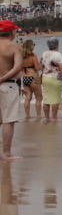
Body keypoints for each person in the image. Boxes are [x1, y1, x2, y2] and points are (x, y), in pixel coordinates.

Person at [0, 20, 21, 160]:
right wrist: (2, 79)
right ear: (11, 32)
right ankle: (6, 153)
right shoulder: (14, 46)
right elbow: (17, 67)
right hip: (8, 85)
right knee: (8, 120)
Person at [39, 39, 62, 123]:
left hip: (45, 78)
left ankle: (47, 118)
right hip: (55, 79)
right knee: (55, 99)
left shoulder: (44, 53)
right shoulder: (58, 54)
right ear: (57, 45)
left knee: (46, 99)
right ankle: (54, 118)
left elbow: (41, 66)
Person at [19, 38, 41, 119]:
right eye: (33, 45)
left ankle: (27, 115)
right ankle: (38, 116)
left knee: (28, 97)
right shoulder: (33, 55)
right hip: (33, 77)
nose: (34, 46)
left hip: (24, 78)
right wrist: (42, 65)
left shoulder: (21, 56)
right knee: (39, 98)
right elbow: (37, 68)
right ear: (30, 46)